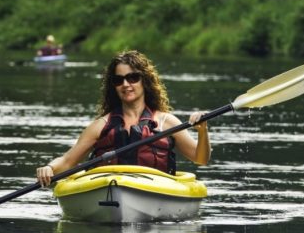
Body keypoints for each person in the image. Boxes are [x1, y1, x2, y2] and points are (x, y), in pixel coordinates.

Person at [36, 50, 210, 187]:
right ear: (114, 86)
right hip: (107, 189)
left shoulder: (167, 122)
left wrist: (203, 132)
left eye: (132, 78)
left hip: (156, 189)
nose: (126, 85)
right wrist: (49, 168)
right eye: (119, 80)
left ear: (145, 81)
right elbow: (67, 161)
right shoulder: (100, 126)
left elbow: (201, 159)